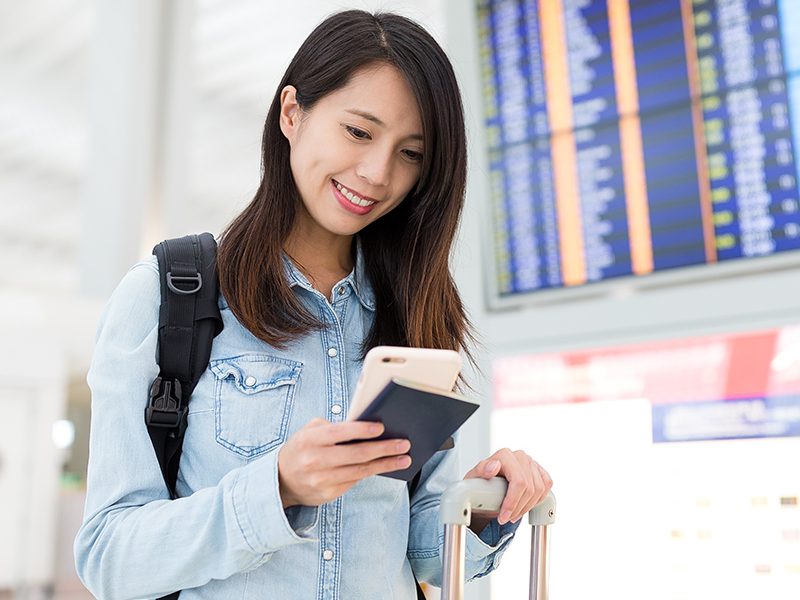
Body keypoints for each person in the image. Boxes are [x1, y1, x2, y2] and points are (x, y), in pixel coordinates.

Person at [74, 9, 552, 599]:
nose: (378, 174)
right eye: (359, 132)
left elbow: (425, 554)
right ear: (292, 113)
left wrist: (487, 504)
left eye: (411, 153)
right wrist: (277, 488)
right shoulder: (168, 293)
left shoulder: (412, 312)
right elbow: (109, 557)